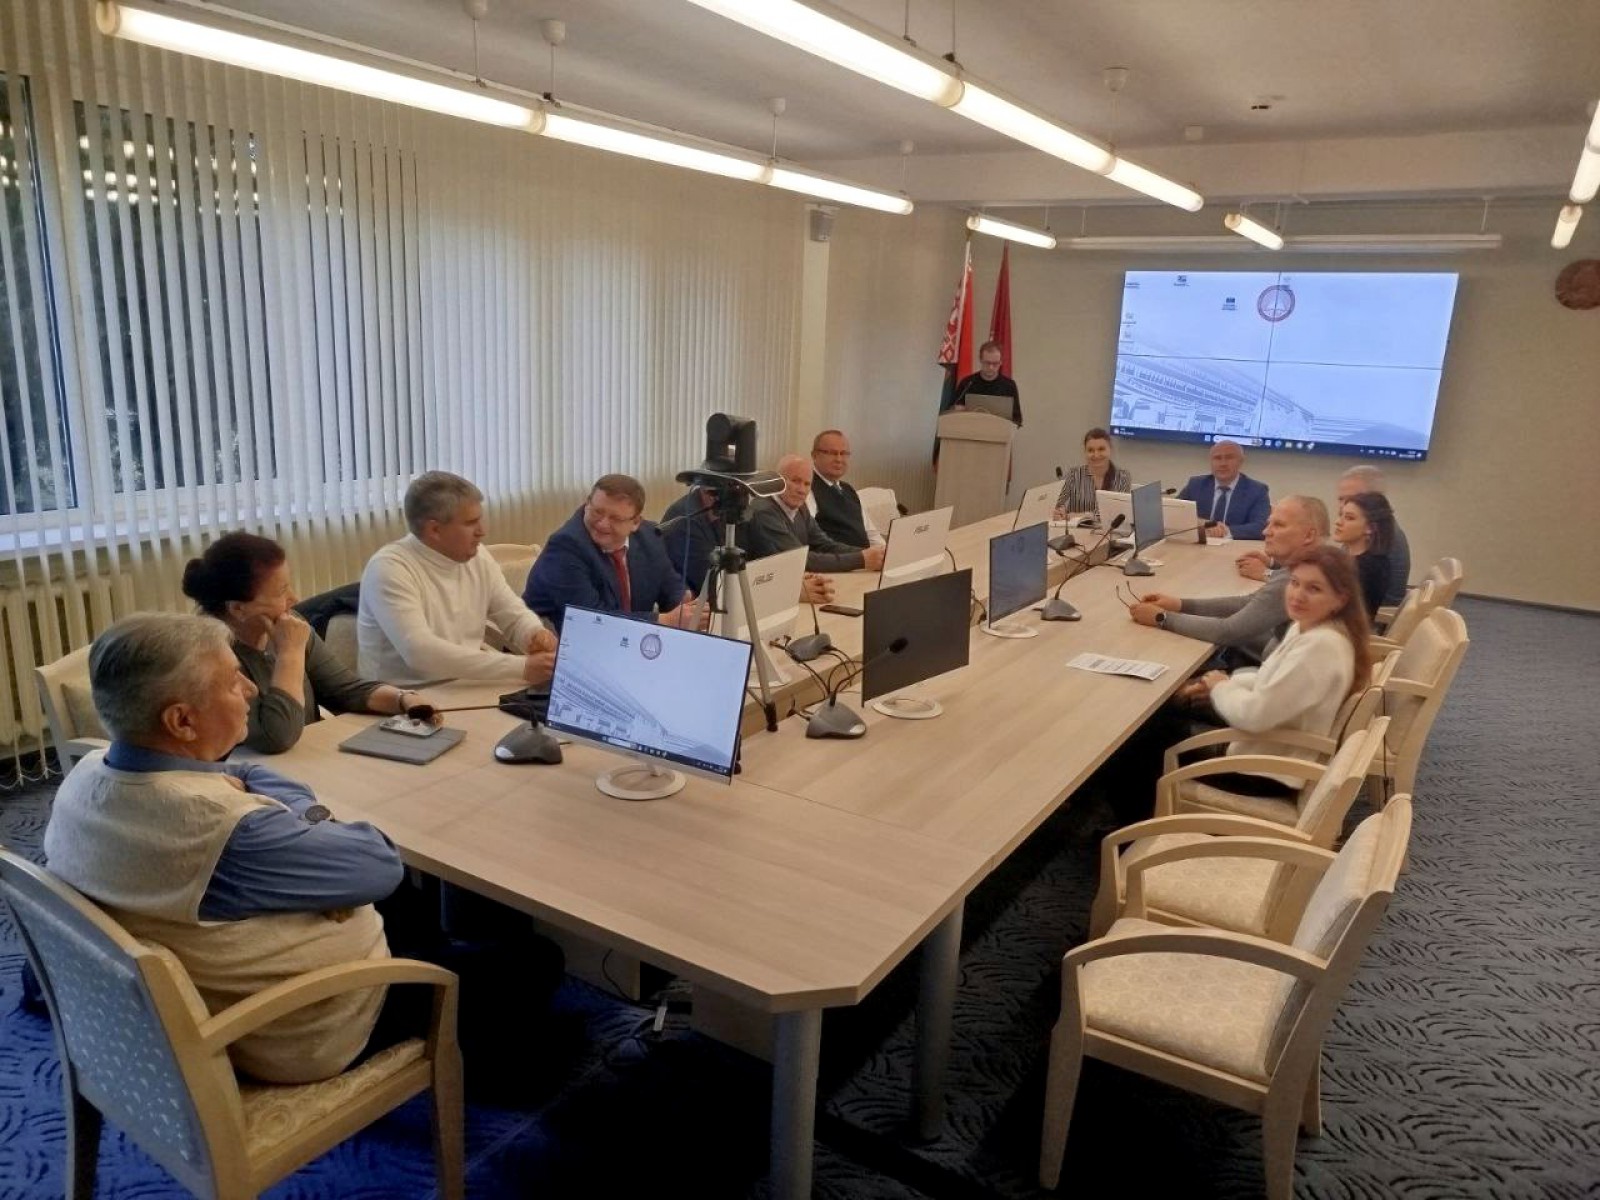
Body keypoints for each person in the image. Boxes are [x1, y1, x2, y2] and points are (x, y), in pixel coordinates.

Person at [42, 613, 405, 1083]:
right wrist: (314, 816)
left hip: (170, 1007)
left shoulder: (91, 771)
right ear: (182, 721)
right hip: (295, 1031)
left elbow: (244, 771)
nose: (251, 689)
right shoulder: (226, 829)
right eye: (234, 681)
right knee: (477, 971)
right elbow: (380, 862)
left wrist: (293, 814)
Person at [181, 532, 427, 754]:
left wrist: (403, 699)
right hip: (255, 772)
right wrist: (290, 654)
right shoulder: (209, 655)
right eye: (281, 592)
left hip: (309, 756)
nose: (295, 598)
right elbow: (276, 737)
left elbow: (344, 690)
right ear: (237, 609)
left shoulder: (290, 624)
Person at [1176, 545, 1371, 796]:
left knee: (1153, 733)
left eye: (1314, 589)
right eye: (1295, 583)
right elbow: (1272, 681)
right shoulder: (1312, 626)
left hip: (1266, 771)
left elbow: (1254, 716)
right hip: (1270, 748)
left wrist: (1221, 687)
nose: (1298, 595)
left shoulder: (1321, 647)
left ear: (1340, 599)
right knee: (1180, 705)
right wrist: (1222, 682)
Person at [358, 471, 558, 685]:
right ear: (435, 530)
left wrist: (534, 633)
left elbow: (511, 613)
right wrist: (521, 668)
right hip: (405, 695)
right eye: (471, 523)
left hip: (465, 685)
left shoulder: (478, 556)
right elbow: (420, 653)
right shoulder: (389, 568)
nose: (482, 531)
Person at [1130, 496, 1330, 664]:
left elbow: (1228, 632)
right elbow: (1249, 603)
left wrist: (1162, 618)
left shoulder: (1300, 579)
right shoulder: (1317, 564)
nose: (1265, 531)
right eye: (1269, 523)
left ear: (1309, 535)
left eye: (1278, 525)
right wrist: (1180, 604)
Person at [523, 474, 700, 635]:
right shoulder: (565, 546)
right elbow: (591, 620)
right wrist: (665, 620)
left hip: (625, 640)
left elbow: (670, 585)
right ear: (587, 504)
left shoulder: (650, 536)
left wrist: (684, 603)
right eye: (597, 512)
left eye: (615, 518)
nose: (602, 524)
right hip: (555, 644)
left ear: (635, 522)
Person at [659, 484, 835, 606]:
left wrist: (793, 579)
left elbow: (768, 556)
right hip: (703, 616)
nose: (745, 497)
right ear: (710, 489)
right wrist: (787, 591)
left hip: (741, 605)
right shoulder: (684, 520)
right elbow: (718, 586)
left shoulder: (736, 510)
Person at [742, 455, 887, 574]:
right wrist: (861, 559)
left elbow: (826, 545)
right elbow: (799, 560)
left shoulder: (800, 507)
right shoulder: (763, 511)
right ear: (778, 481)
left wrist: (874, 554)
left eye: (807, 484)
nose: (801, 490)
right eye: (796, 481)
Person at [1336, 465, 1410, 606]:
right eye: (1340, 499)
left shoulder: (1381, 538)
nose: (1343, 506)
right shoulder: (1376, 529)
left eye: (1352, 499)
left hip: (1377, 613)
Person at [1176, 440, 1271, 540]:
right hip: (1199, 543)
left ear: (1241, 461)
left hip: (1235, 545)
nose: (1223, 464)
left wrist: (1224, 531)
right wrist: (1202, 523)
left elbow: (1260, 527)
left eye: (1229, 458)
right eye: (1217, 458)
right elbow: (1173, 513)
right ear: (1211, 461)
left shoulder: (1257, 490)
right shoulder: (1196, 484)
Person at [807, 429, 883, 548]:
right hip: (839, 558)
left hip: (865, 556)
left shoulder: (848, 490)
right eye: (832, 453)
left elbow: (871, 533)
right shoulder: (807, 489)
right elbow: (808, 537)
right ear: (814, 455)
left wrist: (887, 553)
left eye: (843, 453)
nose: (839, 459)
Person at [1333, 491, 1396, 620]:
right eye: (1340, 515)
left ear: (1370, 528)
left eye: (1349, 518)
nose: (1338, 522)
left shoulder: (1370, 567)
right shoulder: (1350, 560)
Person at [1052, 427, 1132, 518]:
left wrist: (1083, 516)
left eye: (1101, 449)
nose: (1096, 455)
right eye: (1090, 450)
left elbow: (1117, 512)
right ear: (1085, 452)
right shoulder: (1074, 474)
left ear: (1110, 450)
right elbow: (1058, 504)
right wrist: (1059, 512)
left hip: (1108, 527)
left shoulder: (1123, 477)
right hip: (1074, 527)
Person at [945, 340, 1022, 425]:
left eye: (995, 363)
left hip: (997, 431)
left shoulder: (1009, 386)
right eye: (987, 363)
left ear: (1001, 362)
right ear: (981, 360)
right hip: (970, 428)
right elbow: (950, 410)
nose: (991, 367)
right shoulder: (967, 383)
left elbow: (1017, 419)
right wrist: (957, 409)